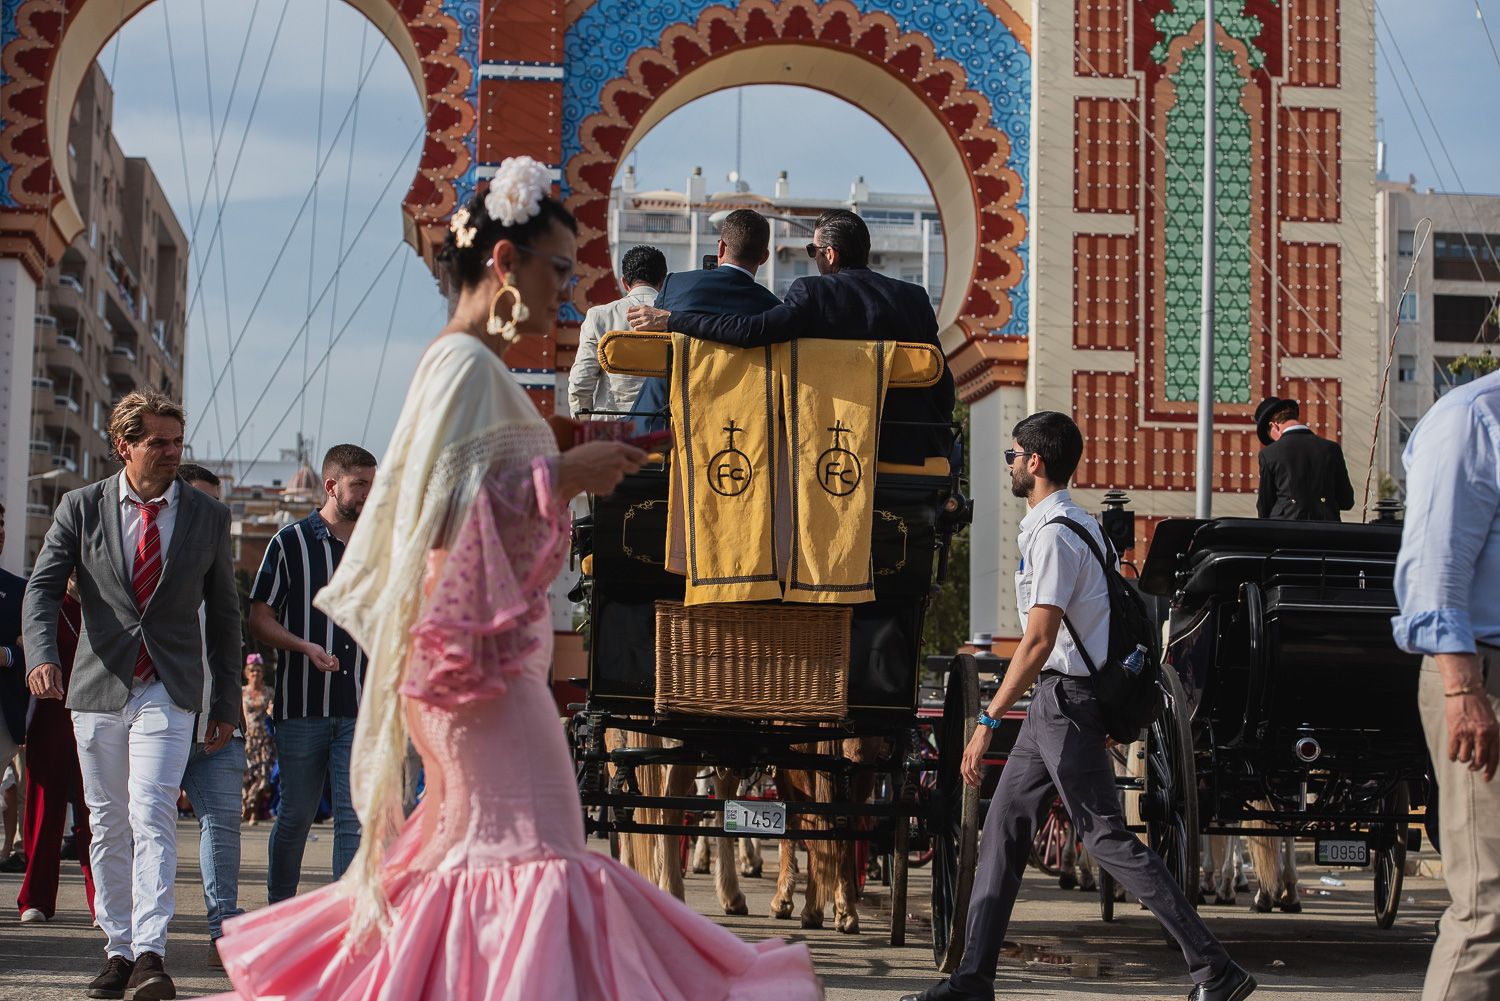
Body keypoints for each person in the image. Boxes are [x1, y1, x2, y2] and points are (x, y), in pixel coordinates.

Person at [209, 156, 822, 1001]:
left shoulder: (462, 366)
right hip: (481, 675)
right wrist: (565, 475)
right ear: (505, 263)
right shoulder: (465, 367)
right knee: (528, 863)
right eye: (558, 270)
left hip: (477, 666)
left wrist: (564, 467)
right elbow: (442, 514)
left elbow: (446, 503)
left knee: (486, 870)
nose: (565, 293)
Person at [901, 412, 1252, 1001]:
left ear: (1035, 463)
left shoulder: (1060, 534)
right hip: (1054, 705)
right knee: (1005, 826)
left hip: (1067, 704)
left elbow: (1039, 640)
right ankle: (973, 980)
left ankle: (1215, 970)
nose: (1009, 464)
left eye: (1012, 455)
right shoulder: (1074, 524)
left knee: (1105, 836)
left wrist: (986, 722)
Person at [23, 389, 241, 1001]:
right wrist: (41, 657)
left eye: (177, 442)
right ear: (124, 446)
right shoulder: (81, 507)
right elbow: (40, 591)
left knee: (151, 813)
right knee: (107, 821)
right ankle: (114, 949)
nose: (173, 453)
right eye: (158, 443)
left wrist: (226, 703)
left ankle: (150, 953)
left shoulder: (207, 516)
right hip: (96, 686)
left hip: (168, 689)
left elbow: (225, 618)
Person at [629, 207, 955, 464]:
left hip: (836, 449)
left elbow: (751, 332)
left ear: (830, 255)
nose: (813, 258)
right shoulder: (914, 297)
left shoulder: (813, 293)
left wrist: (674, 320)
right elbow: (942, 383)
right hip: (912, 446)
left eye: (812, 250)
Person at [1392, 369, 1500, 1001]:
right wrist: (1463, 691)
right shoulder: (1472, 418)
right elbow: (1433, 572)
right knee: (1490, 906)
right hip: (1480, 677)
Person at [248, 444, 376, 900]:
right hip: (301, 707)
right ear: (331, 486)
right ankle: (279, 911)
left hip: (361, 709)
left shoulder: (377, 547)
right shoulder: (288, 542)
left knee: (352, 818)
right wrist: (302, 646)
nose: (368, 494)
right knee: (296, 815)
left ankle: (341, 926)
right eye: (359, 484)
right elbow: (259, 617)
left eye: (373, 485)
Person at [175, 462, 247, 958]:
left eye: (218, 507)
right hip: (155, 722)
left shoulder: (221, 577)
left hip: (217, 728)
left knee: (222, 827)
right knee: (144, 832)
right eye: (202, 502)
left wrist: (228, 711)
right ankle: (139, 938)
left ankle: (223, 928)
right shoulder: (151, 568)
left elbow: (229, 647)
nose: (212, 516)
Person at [626, 208, 783, 431]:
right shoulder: (772, 308)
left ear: (721, 247)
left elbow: (653, 346)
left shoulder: (676, 285)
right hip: (737, 430)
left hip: (664, 426)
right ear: (764, 257)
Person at [16, 574, 96, 924]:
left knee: (97, 815)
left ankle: (104, 904)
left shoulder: (104, 604)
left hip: (97, 717)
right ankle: (35, 899)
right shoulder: (46, 604)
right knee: (44, 812)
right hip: (50, 720)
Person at [568, 243, 666, 419]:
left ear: (624, 282)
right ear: (663, 281)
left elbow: (581, 382)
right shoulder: (675, 317)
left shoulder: (599, 316)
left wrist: (585, 424)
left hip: (612, 426)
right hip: (663, 428)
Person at [1253, 396, 1354, 520]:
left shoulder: (1269, 454)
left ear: (1274, 426)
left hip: (1285, 533)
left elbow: (1265, 507)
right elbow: (1346, 501)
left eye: (1271, 437)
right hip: (1326, 533)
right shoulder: (1332, 449)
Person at [0, 502, 26, 874]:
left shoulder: (18, 590)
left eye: (2, 523)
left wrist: (6, 655)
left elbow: (34, 652)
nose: (0, 531)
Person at [240, 655, 274, 823]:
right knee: (246, 775)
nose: (256, 674)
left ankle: (254, 811)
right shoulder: (241, 692)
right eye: (252, 671)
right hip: (247, 739)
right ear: (247, 673)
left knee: (262, 777)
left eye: (259, 671)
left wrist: (271, 711)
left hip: (264, 740)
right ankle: (245, 807)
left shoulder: (268, 692)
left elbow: (272, 712)